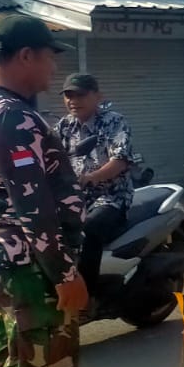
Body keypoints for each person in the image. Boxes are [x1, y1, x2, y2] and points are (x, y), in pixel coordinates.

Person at [0, 17, 90, 367]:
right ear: (25, 56)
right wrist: (64, 274)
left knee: (1, 365)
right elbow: (33, 204)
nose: (54, 66)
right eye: (49, 55)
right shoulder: (13, 118)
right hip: (26, 266)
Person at [55, 73, 135, 293]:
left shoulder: (113, 121)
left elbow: (120, 161)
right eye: (68, 95)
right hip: (74, 197)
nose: (73, 100)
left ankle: (86, 295)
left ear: (98, 96)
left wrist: (90, 178)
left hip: (110, 197)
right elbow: (48, 157)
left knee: (87, 229)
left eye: (80, 94)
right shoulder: (64, 126)